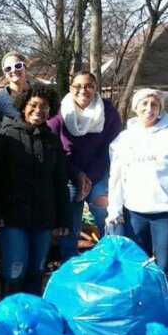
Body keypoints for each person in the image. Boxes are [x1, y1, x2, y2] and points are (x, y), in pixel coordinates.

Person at [107, 89, 168, 291]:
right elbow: (116, 177)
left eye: (154, 105)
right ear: (136, 108)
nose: (149, 109)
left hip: (167, 213)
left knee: (165, 267)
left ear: (160, 108)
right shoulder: (125, 139)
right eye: (144, 104)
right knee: (139, 267)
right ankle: (145, 311)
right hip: (135, 213)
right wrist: (114, 210)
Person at [0, 87, 70, 295]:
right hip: (12, 216)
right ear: (23, 107)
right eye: (33, 105)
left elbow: (60, 181)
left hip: (43, 217)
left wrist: (64, 219)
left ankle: (31, 317)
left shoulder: (52, 140)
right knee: (15, 270)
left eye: (44, 106)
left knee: (37, 270)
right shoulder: (5, 136)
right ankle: (10, 317)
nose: (38, 110)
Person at [47, 70, 122, 261]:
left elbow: (111, 148)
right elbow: (54, 149)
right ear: (70, 88)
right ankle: (68, 264)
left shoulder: (108, 111)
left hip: (97, 172)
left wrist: (89, 177)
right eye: (78, 86)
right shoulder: (60, 112)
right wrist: (77, 175)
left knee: (105, 212)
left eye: (89, 85)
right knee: (69, 221)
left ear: (96, 88)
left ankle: (113, 258)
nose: (83, 90)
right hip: (69, 172)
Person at [0, 51, 31, 122]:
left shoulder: (39, 94)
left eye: (18, 66)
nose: (13, 70)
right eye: (8, 68)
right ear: (5, 74)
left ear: (25, 68)